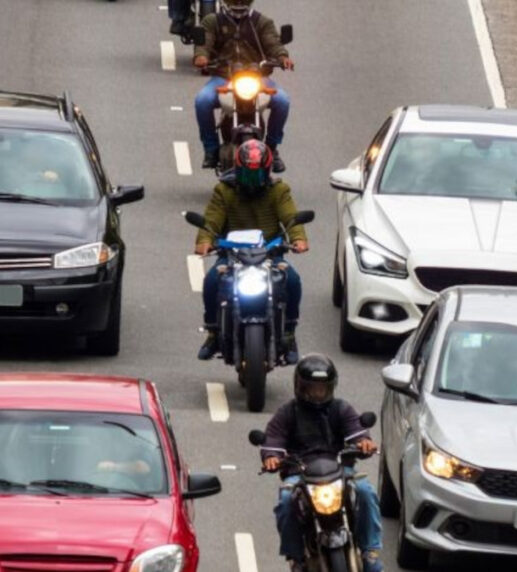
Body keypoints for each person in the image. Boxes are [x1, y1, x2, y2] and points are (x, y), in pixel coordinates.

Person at [260, 355, 384, 572]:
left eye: (322, 388)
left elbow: (357, 431)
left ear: (331, 387)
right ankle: (296, 558)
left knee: (365, 491)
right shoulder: (287, 413)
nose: (318, 393)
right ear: (300, 386)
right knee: (286, 500)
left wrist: (364, 443)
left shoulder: (341, 409)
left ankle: (370, 551)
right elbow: (274, 440)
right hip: (300, 472)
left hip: (339, 470)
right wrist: (272, 456)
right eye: (312, 388)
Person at [194, 139, 306, 362]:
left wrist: (299, 239)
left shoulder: (279, 190)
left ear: (267, 171)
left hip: (270, 255)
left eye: (257, 174)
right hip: (233, 255)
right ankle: (214, 332)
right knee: (212, 280)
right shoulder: (224, 190)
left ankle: (289, 333)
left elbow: (291, 218)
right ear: (238, 170)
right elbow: (212, 221)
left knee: (292, 280)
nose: (253, 180)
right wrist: (205, 241)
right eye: (248, 174)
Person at [193, 0, 294, 172]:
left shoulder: (262, 22)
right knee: (202, 101)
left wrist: (282, 57)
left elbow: (274, 44)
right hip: (223, 77)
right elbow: (204, 43)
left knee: (282, 101)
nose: (238, 2)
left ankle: (272, 147)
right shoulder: (212, 21)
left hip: (257, 78)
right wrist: (202, 56)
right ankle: (210, 149)